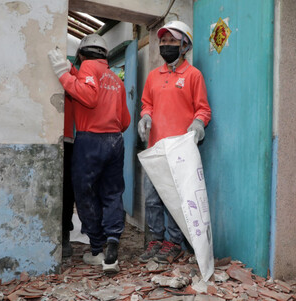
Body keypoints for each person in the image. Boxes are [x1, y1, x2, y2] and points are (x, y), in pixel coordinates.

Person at [48, 33, 131, 272]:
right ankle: (113, 242)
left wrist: (63, 73)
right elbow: (124, 120)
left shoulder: (86, 67)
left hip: (90, 140)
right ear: (105, 55)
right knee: (113, 193)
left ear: (83, 54)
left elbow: (89, 95)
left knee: (84, 194)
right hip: (115, 140)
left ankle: (96, 248)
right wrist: (73, 73)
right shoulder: (115, 78)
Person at [137, 20, 211, 263]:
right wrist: (145, 115)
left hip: (179, 151)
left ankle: (173, 243)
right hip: (156, 148)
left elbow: (203, 109)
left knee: (175, 200)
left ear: (184, 46)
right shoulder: (153, 76)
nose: (165, 45)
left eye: (171, 41)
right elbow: (147, 103)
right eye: (163, 41)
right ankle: (155, 240)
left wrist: (198, 123)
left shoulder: (193, 75)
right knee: (152, 199)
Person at [61, 91, 75, 258]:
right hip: (47, 136)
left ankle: (65, 231)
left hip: (68, 138)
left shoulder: (71, 74)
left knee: (67, 189)